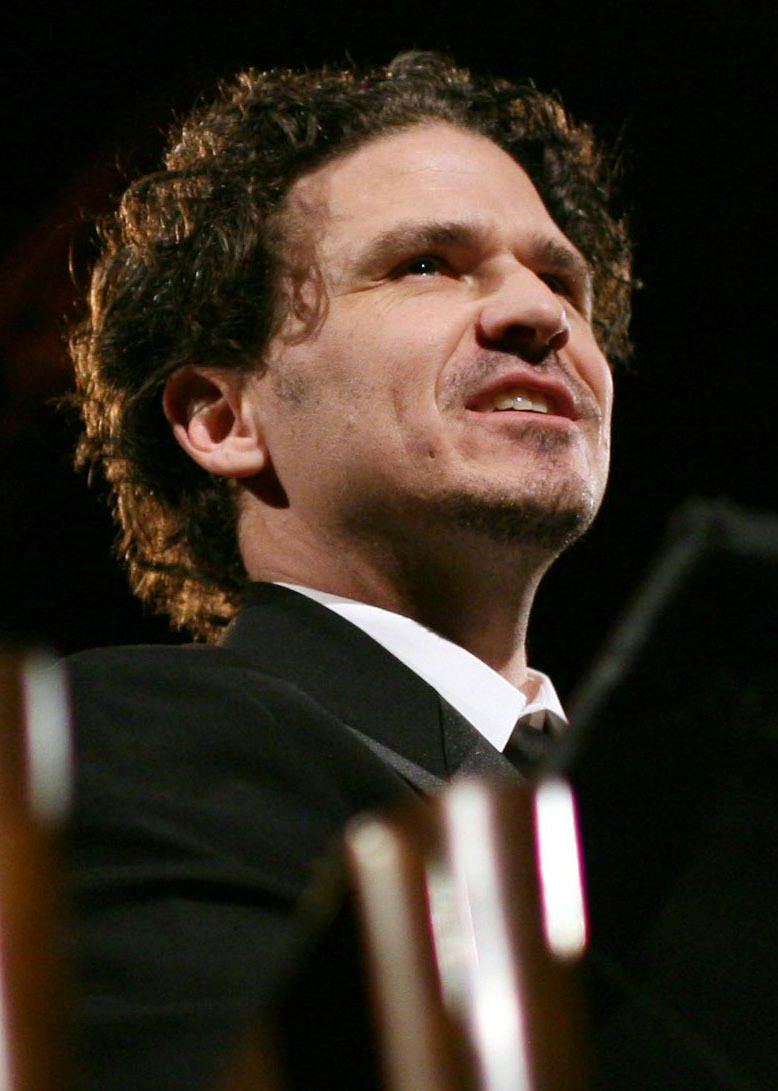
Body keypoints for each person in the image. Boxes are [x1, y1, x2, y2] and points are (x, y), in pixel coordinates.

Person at [62, 51, 633, 1089]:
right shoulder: (128, 741)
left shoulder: (698, 821)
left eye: (562, 280)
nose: (539, 313)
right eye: (425, 264)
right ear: (223, 418)